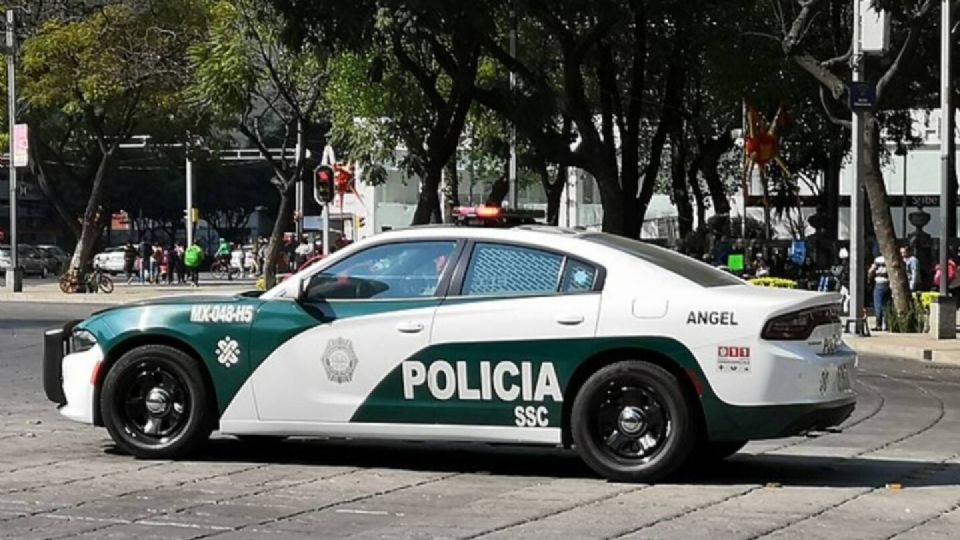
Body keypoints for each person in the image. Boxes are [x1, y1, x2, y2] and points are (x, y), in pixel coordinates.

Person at [868, 251, 890, 331]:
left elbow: (871, 271)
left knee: (878, 305)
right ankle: (888, 324)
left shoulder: (878, 259)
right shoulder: (890, 258)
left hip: (879, 283)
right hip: (888, 283)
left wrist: (869, 279)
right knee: (886, 305)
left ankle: (878, 325)